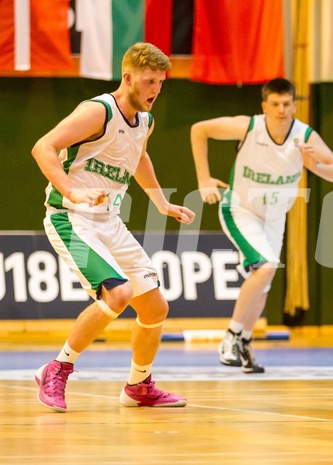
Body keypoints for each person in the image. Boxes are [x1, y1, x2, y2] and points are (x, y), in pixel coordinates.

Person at [30, 42, 195, 412]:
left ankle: (138, 385)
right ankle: (56, 368)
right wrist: (72, 191)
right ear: (128, 78)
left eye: (161, 82)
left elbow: (138, 156)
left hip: (108, 220)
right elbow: (43, 147)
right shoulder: (98, 111)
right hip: (70, 217)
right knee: (118, 295)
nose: (155, 89)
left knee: (154, 307)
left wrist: (161, 202)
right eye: (149, 81)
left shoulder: (145, 121)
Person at [191, 78, 333, 374]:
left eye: (287, 104)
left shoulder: (304, 136)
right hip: (241, 209)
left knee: (262, 284)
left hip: (275, 218)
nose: (281, 110)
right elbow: (199, 130)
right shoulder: (249, 126)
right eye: (274, 104)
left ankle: (246, 344)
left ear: (294, 106)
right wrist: (203, 179)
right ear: (264, 106)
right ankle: (232, 336)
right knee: (266, 267)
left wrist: (313, 165)